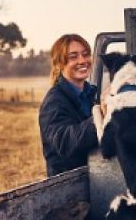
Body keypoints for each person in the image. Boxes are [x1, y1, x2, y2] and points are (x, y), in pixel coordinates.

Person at [39, 34, 99, 177]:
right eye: (73, 57)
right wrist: (100, 116)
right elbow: (65, 143)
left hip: (97, 178)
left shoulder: (93, 94)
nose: (82, 61)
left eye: (85, 55)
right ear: (60, 64)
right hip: (69, 184)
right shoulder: (53, 102)